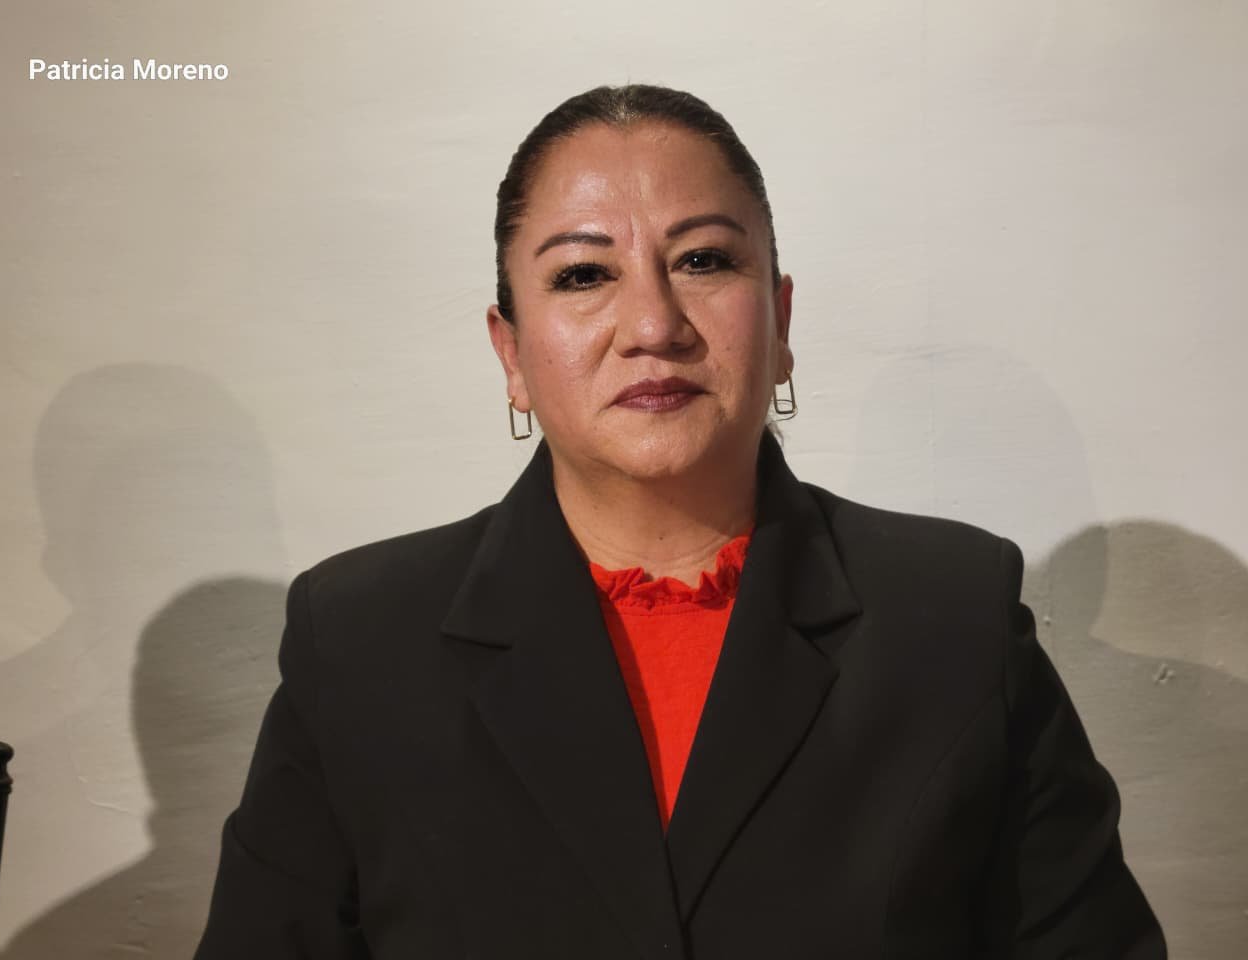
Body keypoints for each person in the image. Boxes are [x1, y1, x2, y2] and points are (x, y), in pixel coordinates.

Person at [193, 83, 1166, 959]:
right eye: (583, 275)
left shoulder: (952, 619)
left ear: (780, 324)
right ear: (511, 353)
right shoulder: (358, 641)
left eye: (702, 260)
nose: (653, 325)